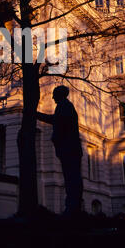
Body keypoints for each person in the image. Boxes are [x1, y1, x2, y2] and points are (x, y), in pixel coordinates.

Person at [37, 85, 83, 218]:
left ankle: (72, 208)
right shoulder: (65, 106)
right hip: (69, 149)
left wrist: (36, 114)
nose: (52, 97)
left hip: (69, 149)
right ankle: (73, 207)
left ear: (60, 95)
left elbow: (55, 120)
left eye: (54, 95)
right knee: (71, 179)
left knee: (71, 179)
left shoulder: (65, 106)